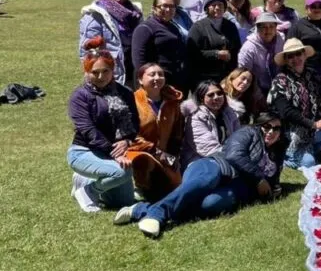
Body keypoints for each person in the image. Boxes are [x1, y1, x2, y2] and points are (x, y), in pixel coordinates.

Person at [114, 113, 284, 238]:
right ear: (259, 126)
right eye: (267, 126)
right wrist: (259, 179)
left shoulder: (276, 153)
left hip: (235, 186)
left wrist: (272, 189)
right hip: (216, 165)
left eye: (276, 128)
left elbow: (272, 182)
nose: (271, 131)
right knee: (203, 182)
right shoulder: (248, 132)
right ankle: (158, 212)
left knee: (211, 204)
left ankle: (142, 209)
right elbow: (234, 155)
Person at [68, 37, 140, 212]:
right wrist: (114, 153)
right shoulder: (80, 96)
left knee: (123, 202)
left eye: (105, 71)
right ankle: (87, 190)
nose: (101, 77)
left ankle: (86, 180)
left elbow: (135, 123)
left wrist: (127, 141)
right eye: (95, 72)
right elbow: (88, 130)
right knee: (122, 172)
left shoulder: (125, 92)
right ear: (87, 72)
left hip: (113, 152)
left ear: (112, 71)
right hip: (84, 151)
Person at [269, 38, 321, 169]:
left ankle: (309, 150)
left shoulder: (313, 74)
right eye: (290, 56)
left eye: (298, 54)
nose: (295, 58)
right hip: (290, 133)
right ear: (286, 60)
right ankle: (285, 156)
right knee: (309, 163)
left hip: (311, 128)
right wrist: (314, 124)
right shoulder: (280, 80)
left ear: (305, 55)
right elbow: (286, 112)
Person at [127, 63, 185, 198]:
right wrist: (156, 151)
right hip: (137, 152)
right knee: (144, 160)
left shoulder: (172, 102)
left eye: (160, 74)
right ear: (140, 80)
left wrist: (172, 155)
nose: (157, 78)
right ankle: (138, 188)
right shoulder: (131, 101)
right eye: (151, 74)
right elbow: (131, 134)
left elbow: (177, 132)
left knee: (176, 186)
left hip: (164, 155)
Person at [79, 0, 143, 85]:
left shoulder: (135, 13)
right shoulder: (95, 14)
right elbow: (87, 51)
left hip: (133, 72)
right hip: (110, 75)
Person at [131, 0, 188, 92]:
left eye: (172, 6)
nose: (168, 9)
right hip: (154, 83)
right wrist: (150, 81)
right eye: (164, 6)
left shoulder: (173, 27)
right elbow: (139, 61)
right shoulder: (145, 28)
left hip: (173, 80)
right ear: (154, 8)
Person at [186, 0, 242, 90]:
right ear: (207, 8)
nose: (217, 8)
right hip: (204, 79)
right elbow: (191, 53)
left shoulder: (230, 26)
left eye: (220, 5)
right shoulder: (198, 27)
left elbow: (237, 49)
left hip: (227, 77)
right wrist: (216, 54)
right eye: (213, 5)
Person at [181, 80, 240, 167]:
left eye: (219, 93)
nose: (216, 97)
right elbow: (209, 149)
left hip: (229, 158)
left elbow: (239, 138)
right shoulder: (196, 117)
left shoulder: (230, 113)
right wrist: (238, 159)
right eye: (211, 95)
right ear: (202, 98)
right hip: (201, 162)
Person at [238, 11, 283, 96]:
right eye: (264, 27)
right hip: (257, 89)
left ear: (276, 28)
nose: (268, 30)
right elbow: (243, 73)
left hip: (279, 85)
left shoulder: (281, 40)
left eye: (271, 26)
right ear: (258, 28)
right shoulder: (248, 48)